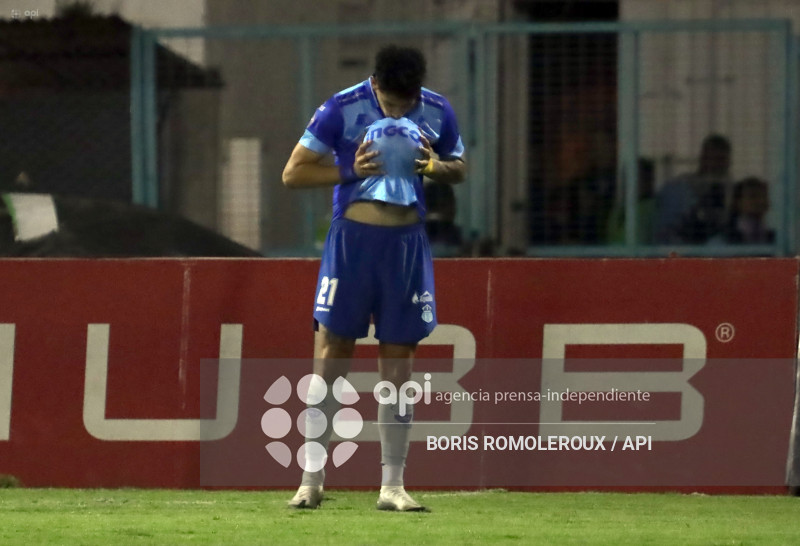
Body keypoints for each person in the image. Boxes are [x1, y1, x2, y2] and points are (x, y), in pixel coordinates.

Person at [281, 45, 466, 511]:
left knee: (399, 361)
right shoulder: (340, 107)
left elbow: (458, 168)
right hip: (353, 243)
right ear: (376, 84)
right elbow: (292, 173)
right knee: (334, 351)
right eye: (392, 103)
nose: (400, 111)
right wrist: (348, 169)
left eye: (408, 105)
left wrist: (434, 168)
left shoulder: (438, 109)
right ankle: (311, 479)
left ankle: (392, 486)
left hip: (406, 246)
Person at [654, 134, 732, 244]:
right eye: (712, 158)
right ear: (703, 157)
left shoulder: (733, 191)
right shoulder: (678, 187)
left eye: (721, 159)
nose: (716, 164)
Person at [708, 177, 774, 245]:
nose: (760, 201)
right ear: (737, 202)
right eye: (753, 196)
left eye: (764, 196)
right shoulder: (722, 240)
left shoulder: (775, 241)